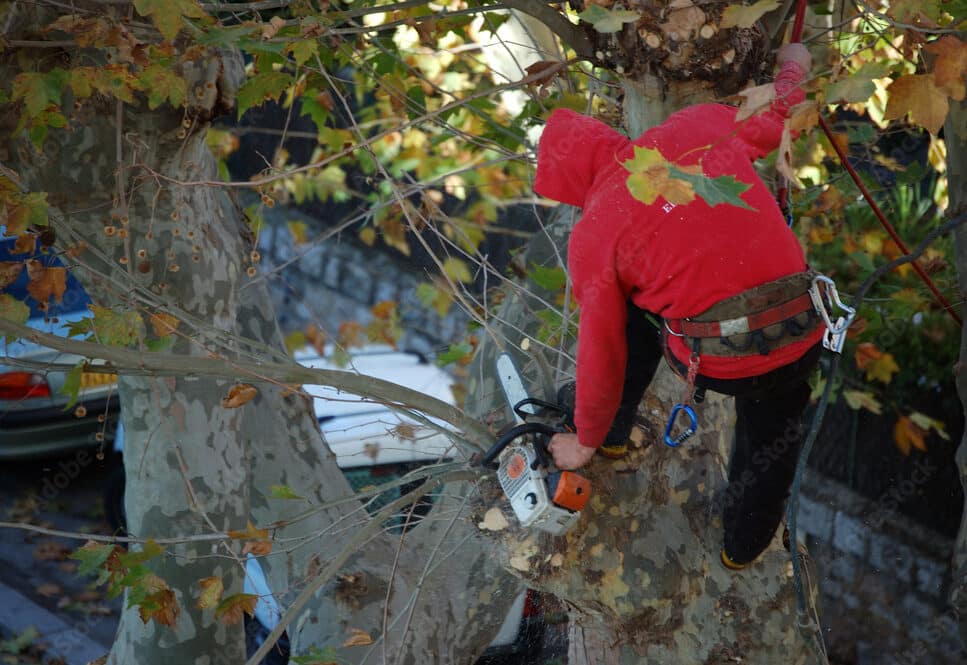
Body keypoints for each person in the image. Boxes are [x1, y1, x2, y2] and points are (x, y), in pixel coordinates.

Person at [537, 43, 821, 570]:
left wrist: (584, 440)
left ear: (571, 183)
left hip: (721, 359)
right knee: (773, 435)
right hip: (803, 328)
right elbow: (785, 114)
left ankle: (613, 435)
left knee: (626, 316)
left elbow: (601, 352)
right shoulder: (699, 126)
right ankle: (743, 546)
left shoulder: (595, 231)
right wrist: (792, 68)